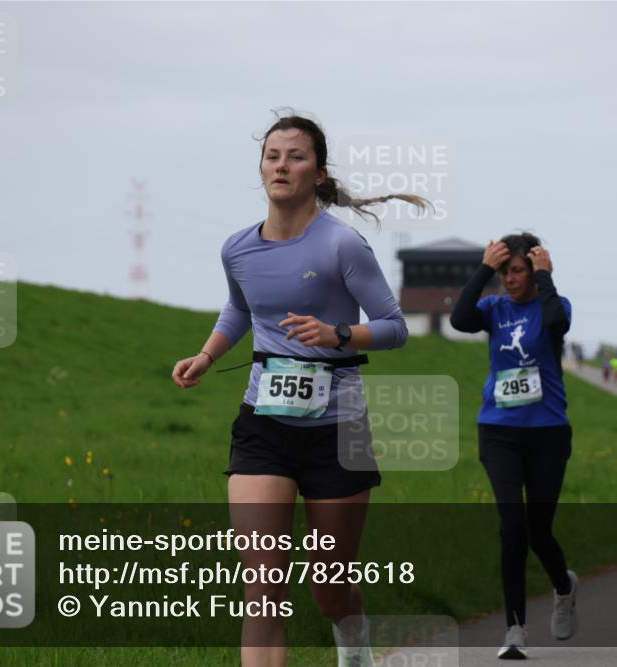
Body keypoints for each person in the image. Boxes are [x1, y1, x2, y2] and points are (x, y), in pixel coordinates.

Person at [171, 113, 428, 667]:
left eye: (295, 156)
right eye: (272, 155)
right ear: (261, 167)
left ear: (319, 172)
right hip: (264, 426)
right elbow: (240, 308)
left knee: (329, 591)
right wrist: (207, 354)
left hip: (339, 431)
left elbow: (395, 327)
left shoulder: (341, 246)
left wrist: (338, 333)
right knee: (263, 593)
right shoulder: (237, 248)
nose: (281, 165)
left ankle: (352, 641)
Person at [449, 234, 578, 660]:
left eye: (517, 270)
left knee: (539, 531)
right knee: (513, 528)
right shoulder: (493, 308)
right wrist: (483, 267)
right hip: (499, 430)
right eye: (504, 272)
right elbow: (460, 319)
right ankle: (515, 629)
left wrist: (545, 278)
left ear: (535, 271)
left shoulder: (551, 305)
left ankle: (564, 586)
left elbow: (558, 324)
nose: (509, 279)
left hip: (547, 432)